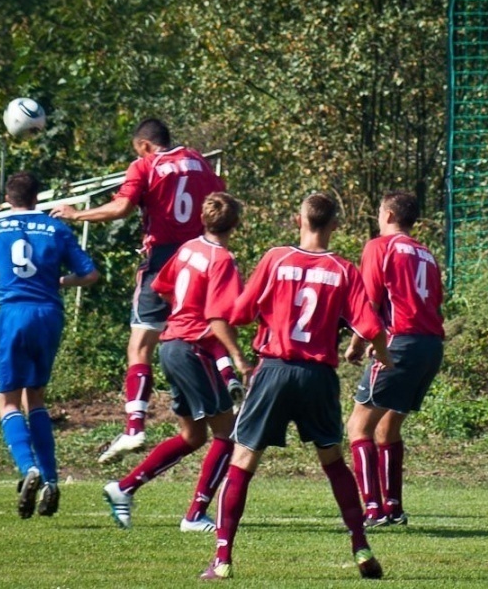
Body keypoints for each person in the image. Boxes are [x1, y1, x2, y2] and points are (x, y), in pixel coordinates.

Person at [199, 193, 393, 581]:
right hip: (318, 377)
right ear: (335, 225)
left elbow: (235, 313)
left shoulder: (276, 259)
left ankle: (222, 561)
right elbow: (371, 327)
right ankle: (360, 546)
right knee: (334, 463)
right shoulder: (343, 269)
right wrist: (384, 357)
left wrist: (237, 353)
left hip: (273, 369)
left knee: (243, 461)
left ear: (298, 220)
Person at [51, 118, 234, 464]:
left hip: (162, 259)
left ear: (145, 145)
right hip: (198, 255)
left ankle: (135, 427)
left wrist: (76, 214)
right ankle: (229, 379)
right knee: (202, 328)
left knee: (141, 344)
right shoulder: (198, 160)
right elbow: (220, 199)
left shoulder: (145, 164)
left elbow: (121, 207)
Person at [102, 193, 252, 532]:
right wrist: (239, 357)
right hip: (192, 348)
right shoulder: (222, 260)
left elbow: (161, 286)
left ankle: (123, 488)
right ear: (236, 225)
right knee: (228, 434)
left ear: (203, 219)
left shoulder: (188, 248)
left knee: (192, 435)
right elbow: (218, 318)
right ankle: (195, 515)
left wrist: (184, 311)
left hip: (170, 344)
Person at [0, 171, 98, 518]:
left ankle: (28, 469)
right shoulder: (56, 228)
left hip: (13, 314)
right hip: (48, 313)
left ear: (8, 198)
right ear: (38, 198)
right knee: (35, 398)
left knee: (7, 402)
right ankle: (50, 480)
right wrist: (59, 281)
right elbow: (91, 275)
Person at [344, 192, 444, 527]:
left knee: (358, 425)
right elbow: (430, 303)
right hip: (430, 346)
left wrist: (357, 344)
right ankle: (394, 508)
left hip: (401, 343)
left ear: (387, 214)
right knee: (387, 428)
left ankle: (373, 511)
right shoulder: (426, 254)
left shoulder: (379, 246)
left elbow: (369, 302)